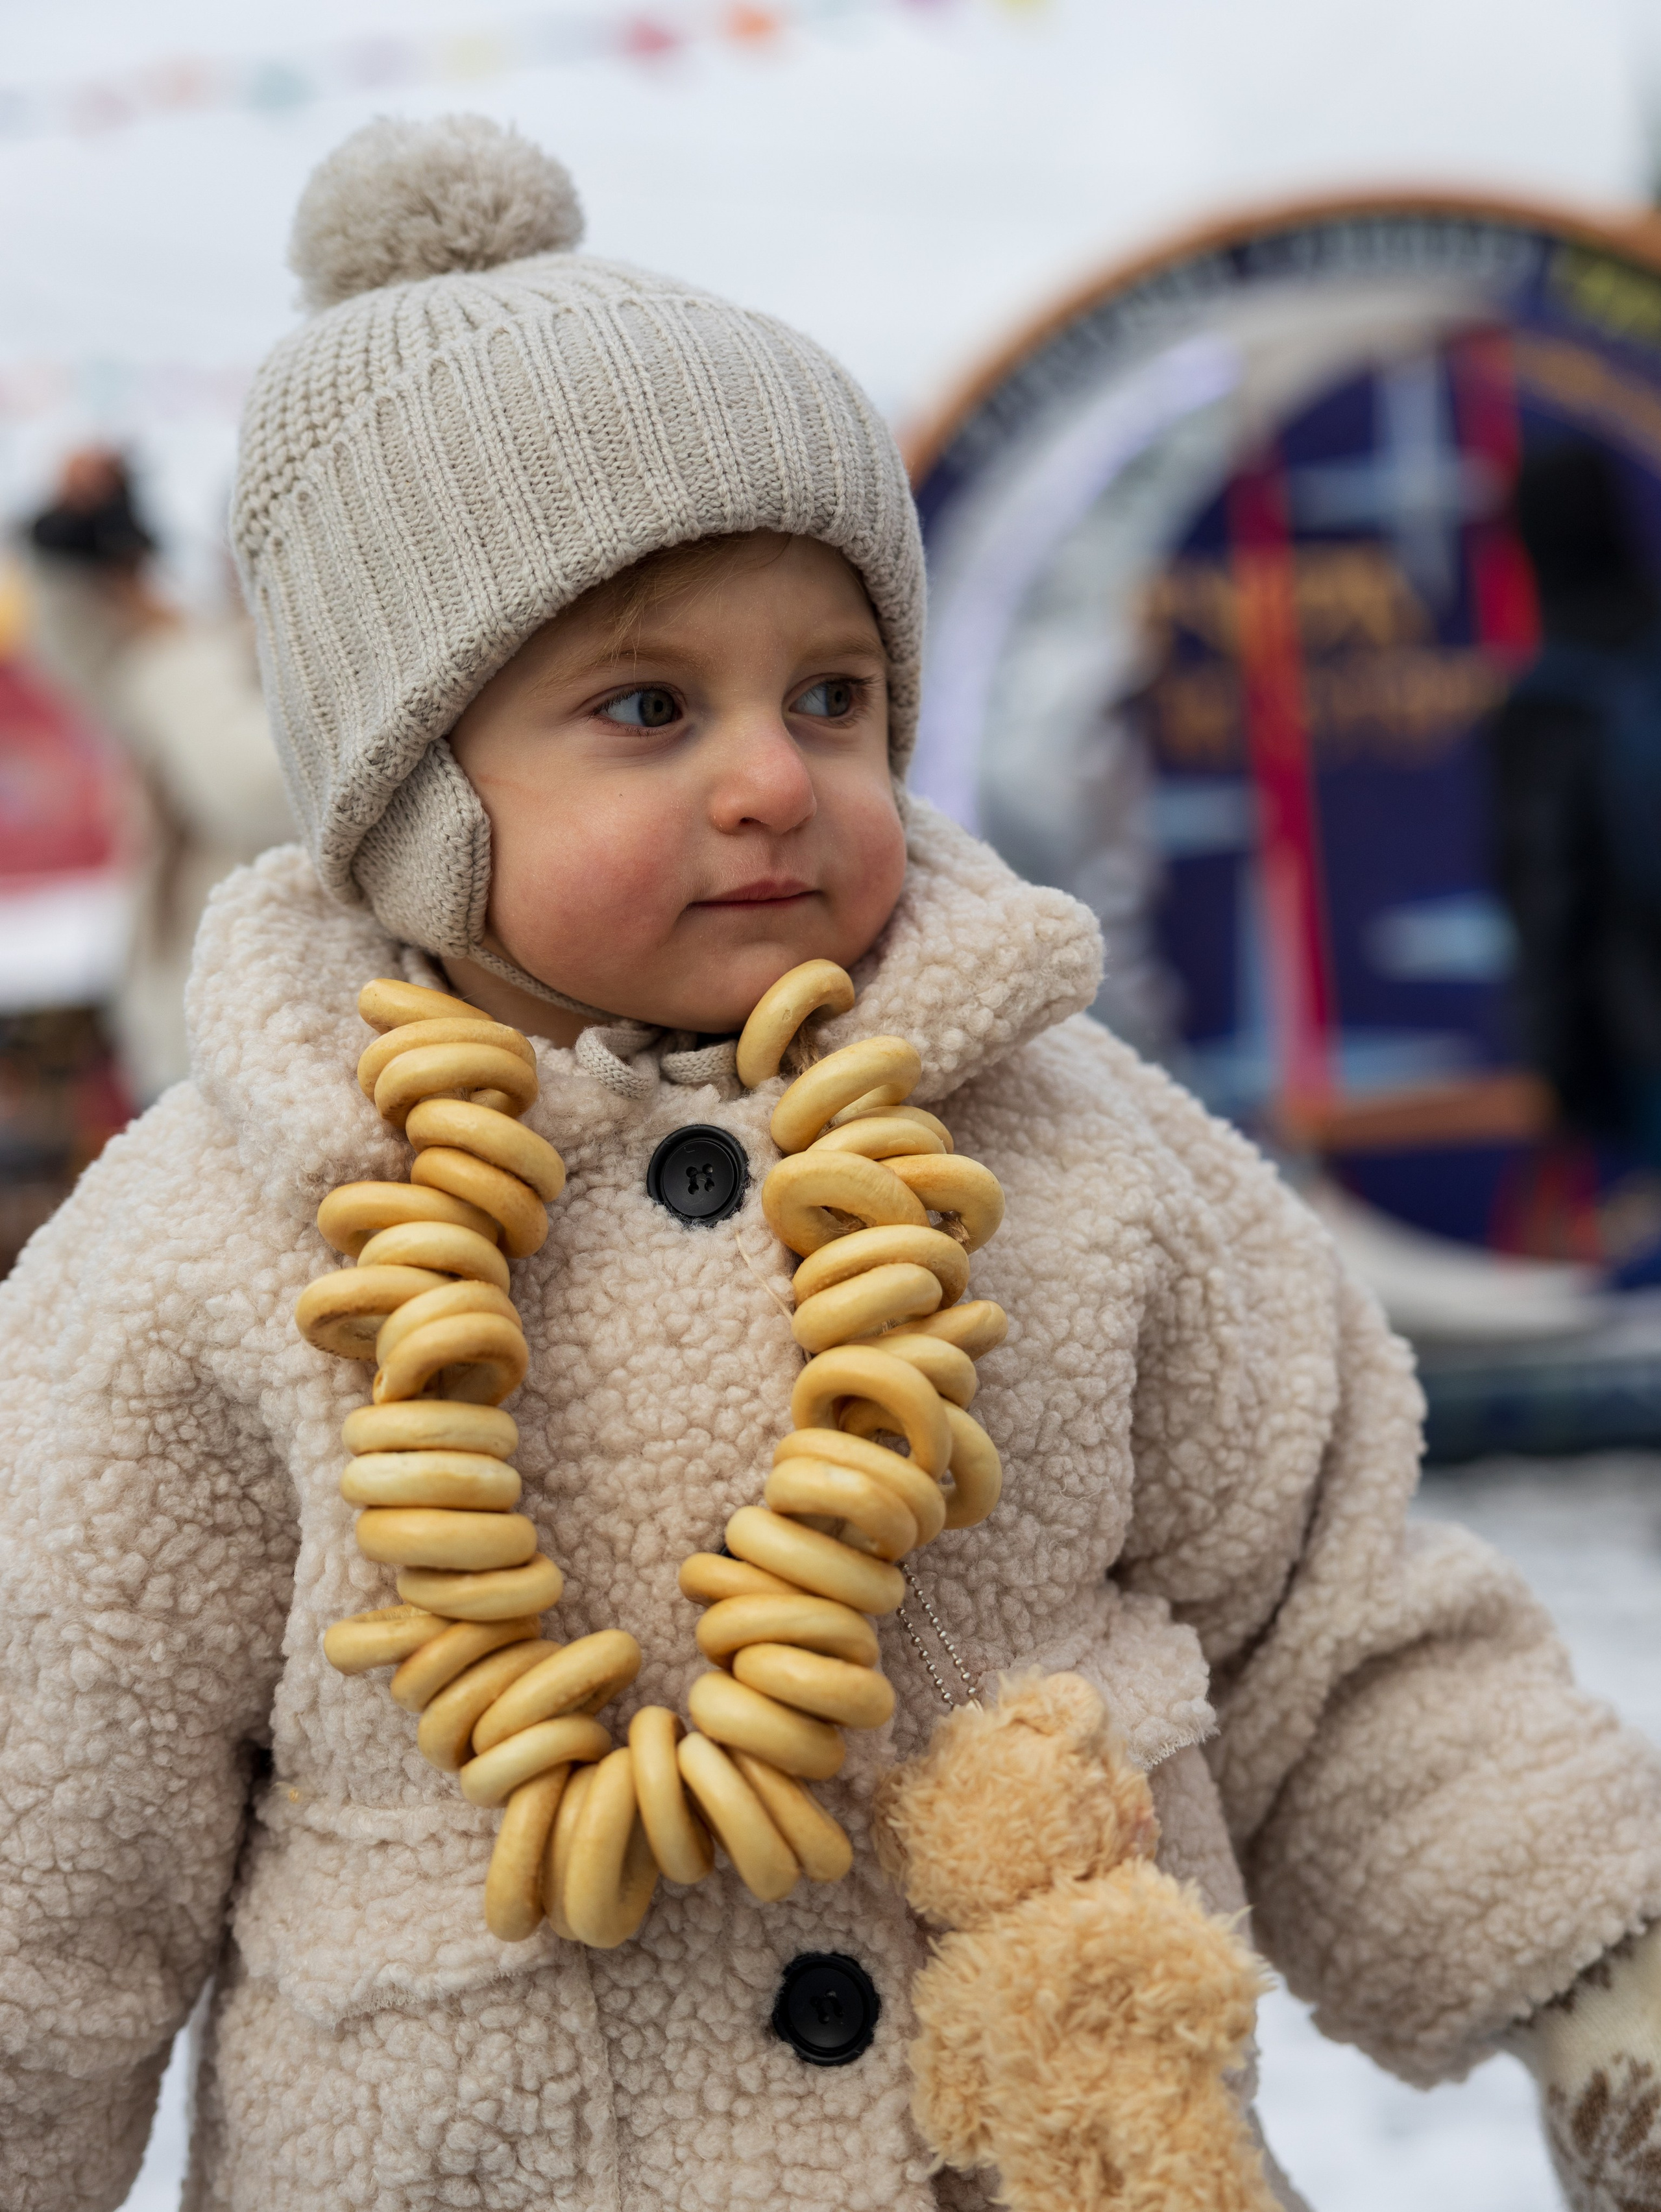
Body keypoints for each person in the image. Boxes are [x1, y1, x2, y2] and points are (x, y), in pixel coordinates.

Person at [1, 116, 1658, 2212]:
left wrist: (1606, 1989)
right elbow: (51, 1821)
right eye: (644, 706)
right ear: (413, 796)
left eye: (835, 691)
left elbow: (1348, 1646)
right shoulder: (208, 1248)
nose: (776, 776)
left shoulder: (1079, 1158)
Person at [22, 447, 295, 1100]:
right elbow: (76, 640)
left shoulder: (220, 662)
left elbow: (254, 789)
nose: (233, 563)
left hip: (282, 1056)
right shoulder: (211, 649)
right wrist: (69, 530)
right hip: (187, 1049)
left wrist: (173, 647)